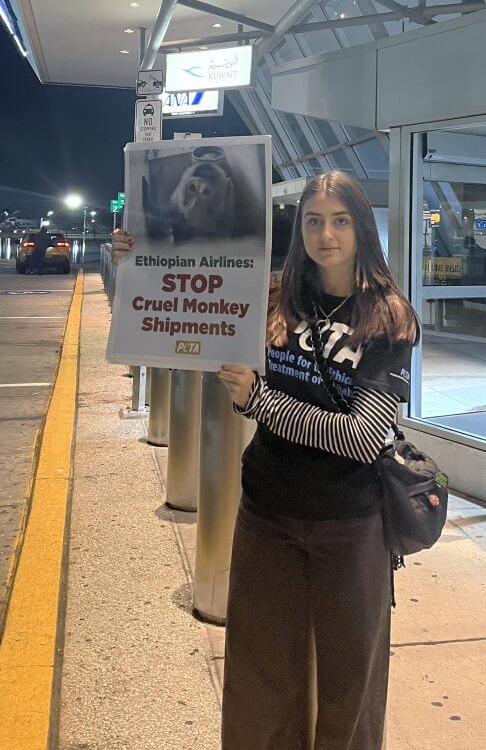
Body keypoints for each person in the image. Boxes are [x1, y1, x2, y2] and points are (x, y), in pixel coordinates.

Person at [111, 171, 419, 750]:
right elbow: (186, 306)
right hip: (267, 515)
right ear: (299, 226)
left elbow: (364, 435)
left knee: (349, 687)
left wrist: (259, 400)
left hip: (350, 525)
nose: (326, 234)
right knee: (260, 679)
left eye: (340, 220)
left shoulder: (387, 316)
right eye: (313, 220)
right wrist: (137, 256)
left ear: (361, 227)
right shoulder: (274, 297)